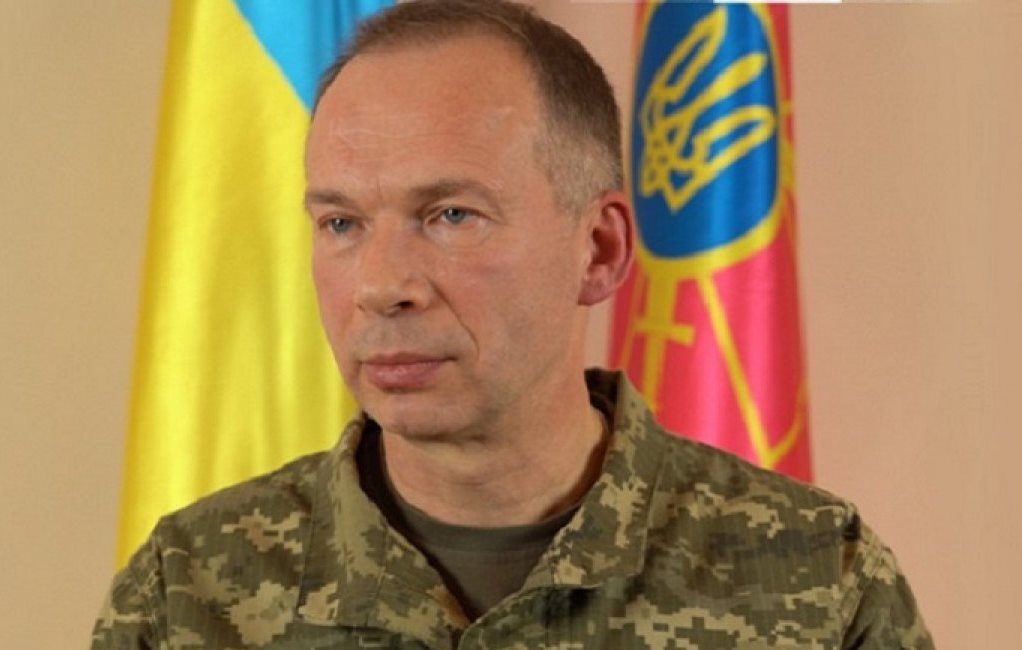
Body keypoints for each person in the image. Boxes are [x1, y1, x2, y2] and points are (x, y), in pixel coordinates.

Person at [92, 1, 933, 647]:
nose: (380, 286)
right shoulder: (188, 592)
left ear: (599, 250)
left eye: (451, 215)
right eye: (341, 223)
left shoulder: (818, 582)